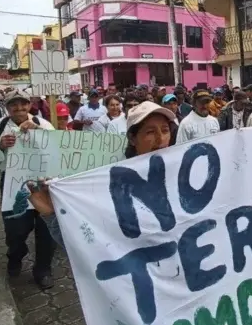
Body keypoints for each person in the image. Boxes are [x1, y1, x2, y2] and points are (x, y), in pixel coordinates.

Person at [26, 101, 178, 248]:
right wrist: (52, 216)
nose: (160, 139)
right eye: (150, 132)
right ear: (132, 138)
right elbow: (92, 249)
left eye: (165, 130)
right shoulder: (111, 184)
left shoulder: (183, 175)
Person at [0, 89, 56, 289]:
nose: (19, 108)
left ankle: (43, 269)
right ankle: (15, 257)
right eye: (14, 104)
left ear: (29, 105)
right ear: (7, 107)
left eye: (23, 103)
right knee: (15, 231)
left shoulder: (43, 124)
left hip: (42, 183)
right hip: (13, 185)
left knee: (47, 230)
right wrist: (0, 146)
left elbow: (57, 152)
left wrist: (40, 134)